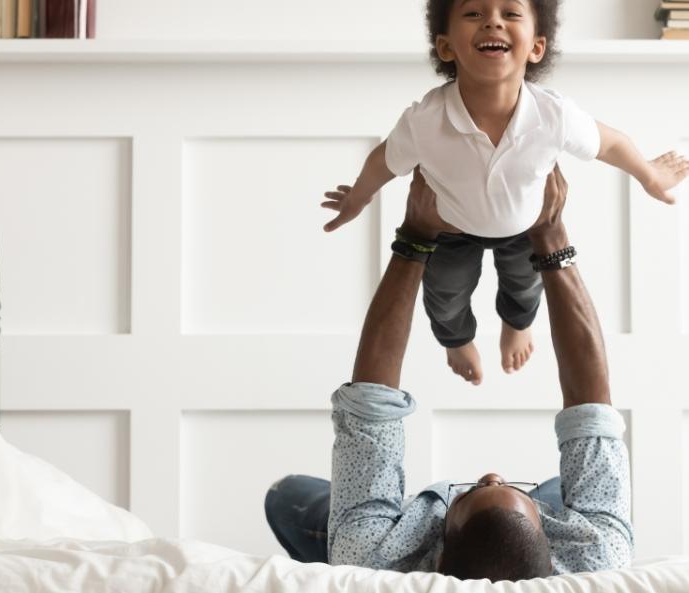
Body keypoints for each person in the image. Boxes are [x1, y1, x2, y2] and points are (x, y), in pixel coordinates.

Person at [321, 0, 689, 384]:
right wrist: (358, 198)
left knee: (524, 287)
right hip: (451, 231)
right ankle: (457, 340)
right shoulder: (426, 119)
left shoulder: (552, 114)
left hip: (524, 229)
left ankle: (516, 326)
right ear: (445, 45)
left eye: (510, 14)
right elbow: (384, 160)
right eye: (474, 14)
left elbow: (609, 143)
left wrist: (648, 174)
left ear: (536, 47)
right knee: (444, 295)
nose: (493, 20)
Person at [268, 166, 632, 581]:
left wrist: (414, 238)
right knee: (563, 485)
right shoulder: (596, 554)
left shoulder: (374, 558)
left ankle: (354, 531)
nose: (489, 474)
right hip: (537, 531)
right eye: (503, 486)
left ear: (437, 562)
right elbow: (591, 411)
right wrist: (552, 238)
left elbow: (371, 404)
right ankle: (520, 501)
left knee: (284, 496)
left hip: (392, 538)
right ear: (552, 555)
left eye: (475, 489)